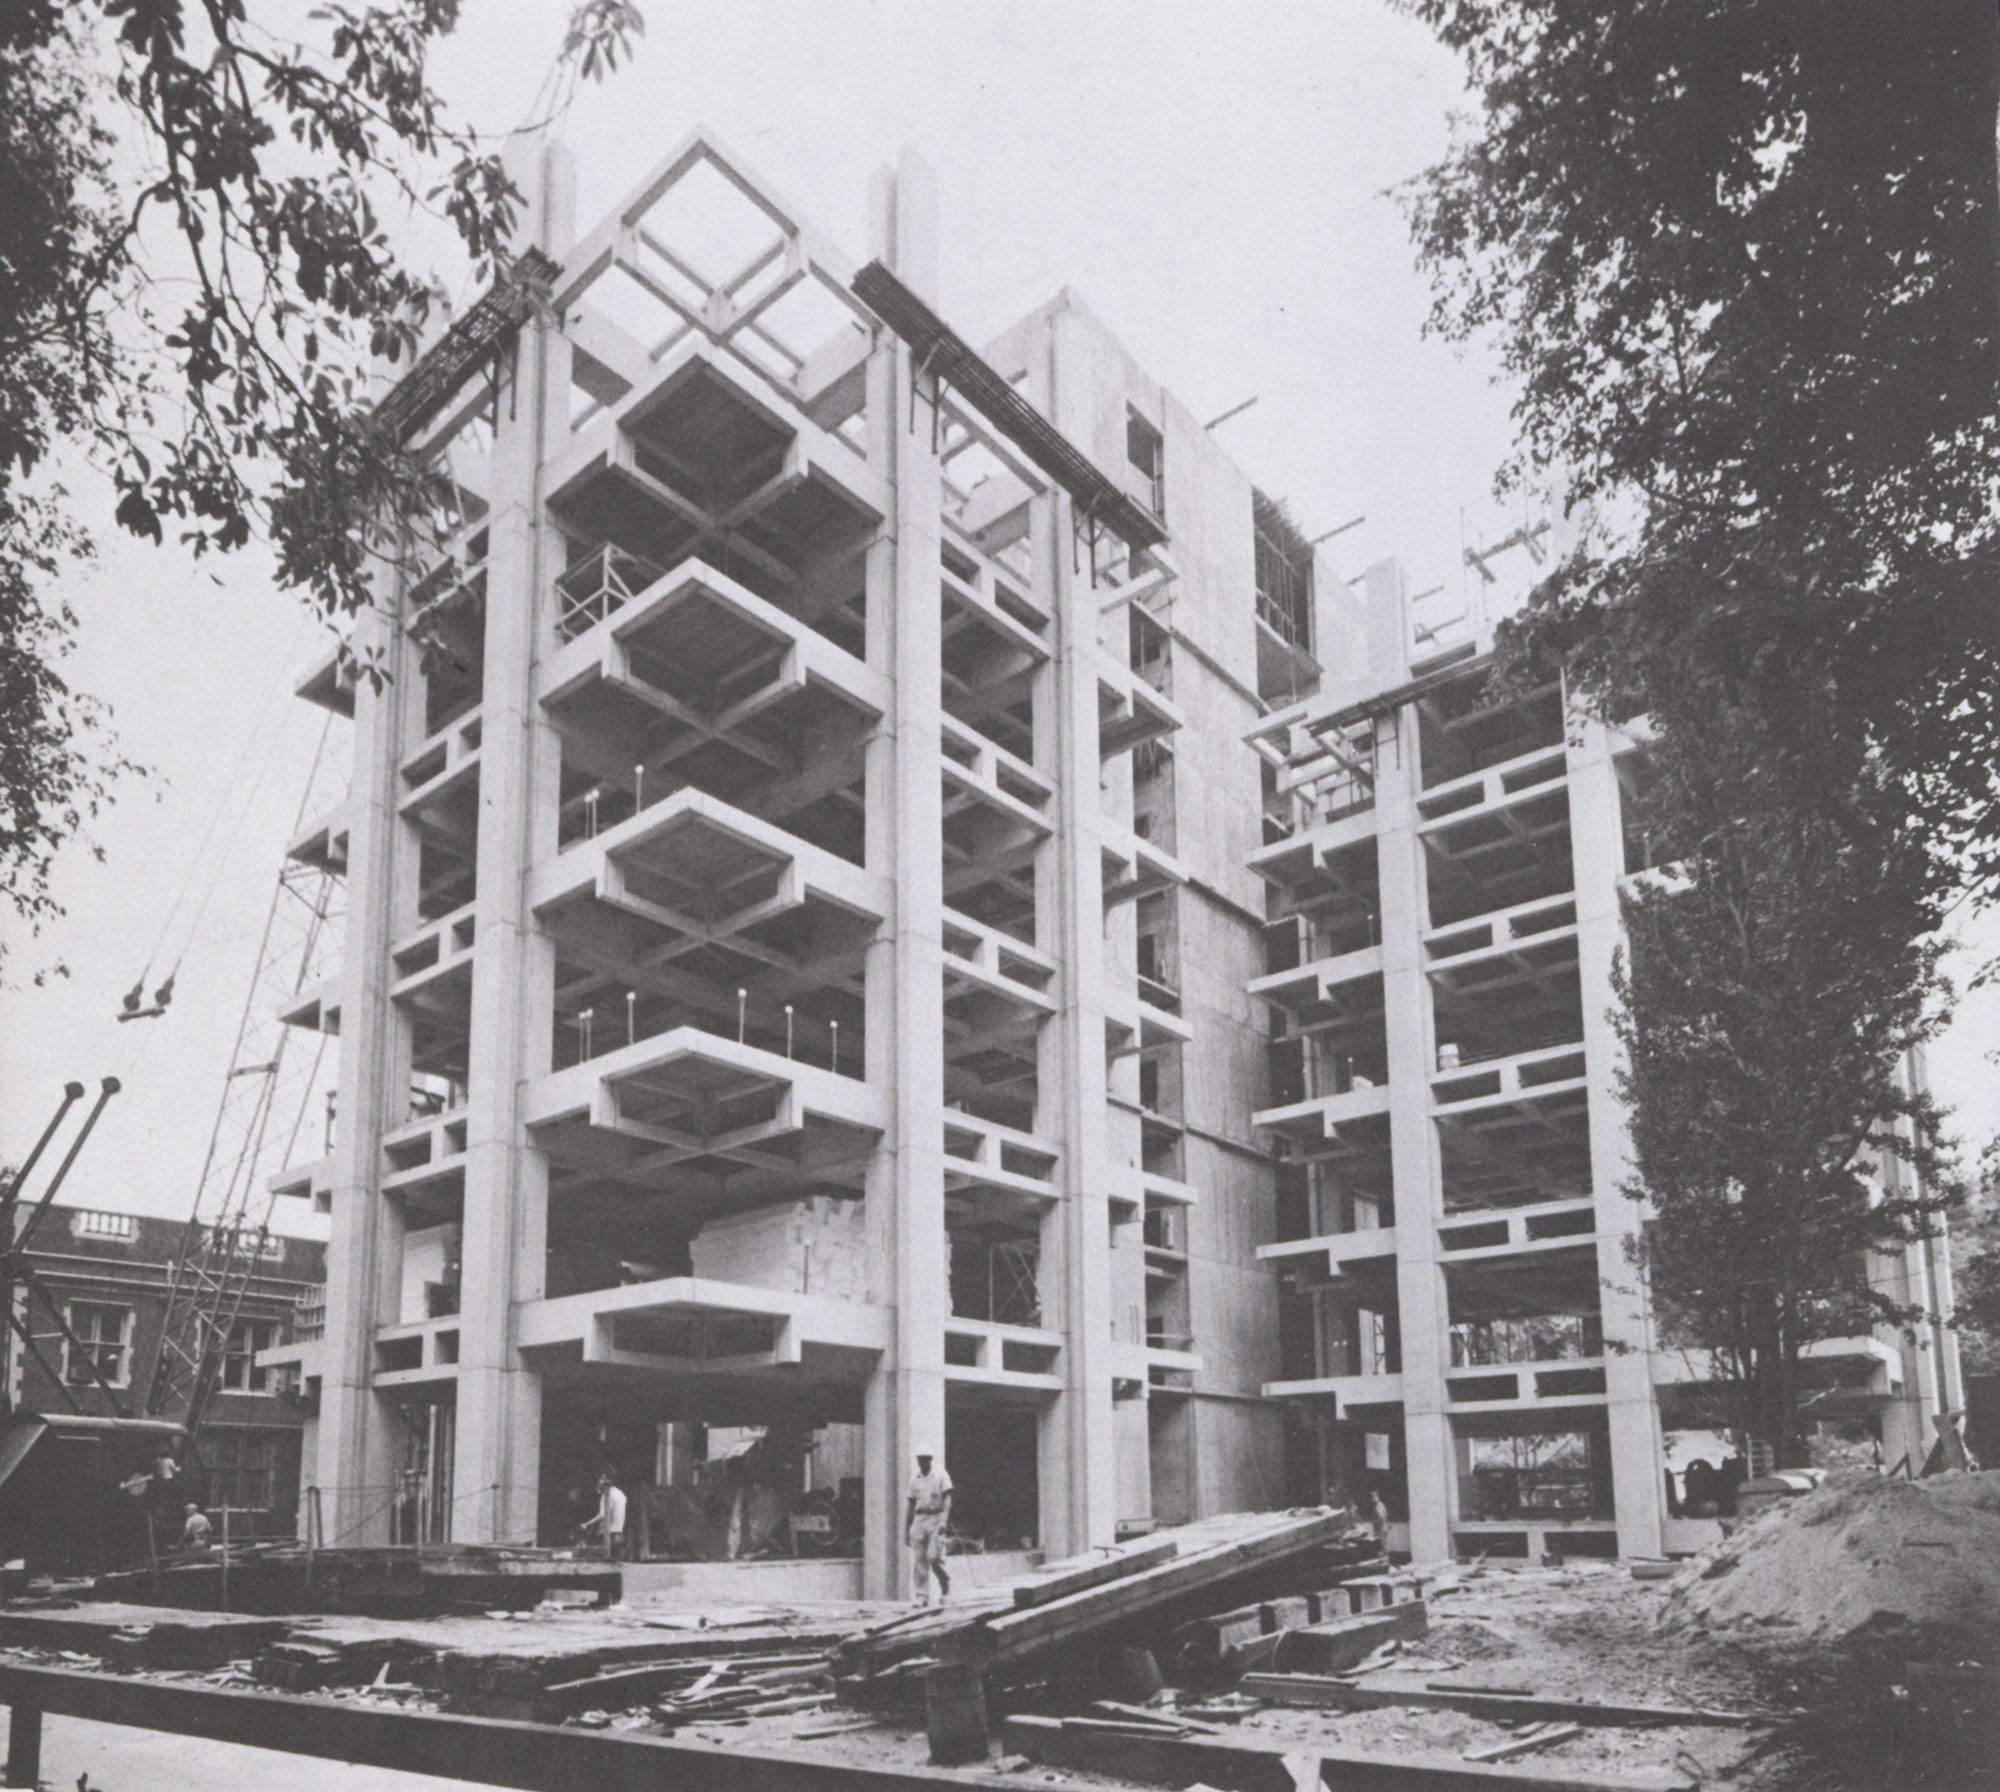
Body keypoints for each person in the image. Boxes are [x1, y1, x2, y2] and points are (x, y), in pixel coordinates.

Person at [904, 1450, 953, 1605]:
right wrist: (907, 1528)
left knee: (933, 1557)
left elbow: (947, 1498)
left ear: (930, 1460)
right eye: (920, 1459)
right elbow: (911, 1505)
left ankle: (944, 1582)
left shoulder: (940, 1475)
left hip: (936, 1517)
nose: (922, 1462)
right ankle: (922, 1596)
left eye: (925, 1459)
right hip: (920, 1519)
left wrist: (944, 1520)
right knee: (919, 1559)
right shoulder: (915, 1479)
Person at [586, 1472, 629, 1561]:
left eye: (601, 1479)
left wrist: (586, 1524)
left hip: (608, 1536)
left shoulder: (606, 1495)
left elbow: (602, 1515)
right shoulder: (621, 1494)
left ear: (609, 1480)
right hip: (619, 1534)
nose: (599, 1481)